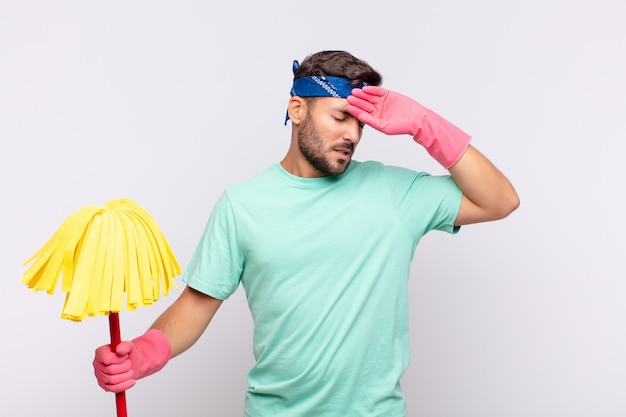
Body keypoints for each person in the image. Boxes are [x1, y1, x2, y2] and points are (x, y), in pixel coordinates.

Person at [93, 50, 519, 416]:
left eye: (361, 124)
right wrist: (144, 353)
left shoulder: (396, 192)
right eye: (340, 117)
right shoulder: (243, 205)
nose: (352, 134)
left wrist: (423, 123)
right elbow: (197, 303)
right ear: (298, 110)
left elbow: (499, 200)